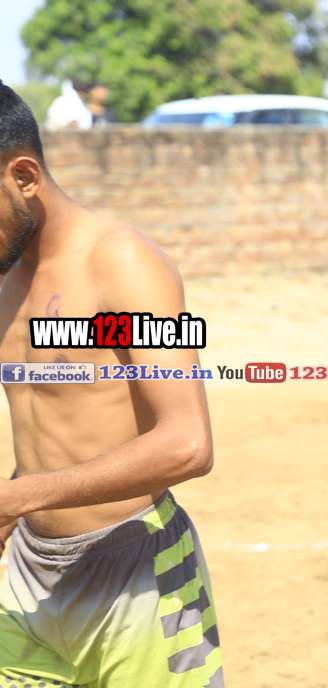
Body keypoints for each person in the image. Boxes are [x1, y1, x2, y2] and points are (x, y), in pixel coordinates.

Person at [0, 81, 222, 687]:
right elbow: (55, 425)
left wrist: (20, 496)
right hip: (29, 582)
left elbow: (188, 444)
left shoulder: (120, 264)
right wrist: (14, 504)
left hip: (139, 577)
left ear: (24, 176)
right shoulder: (8, 282)